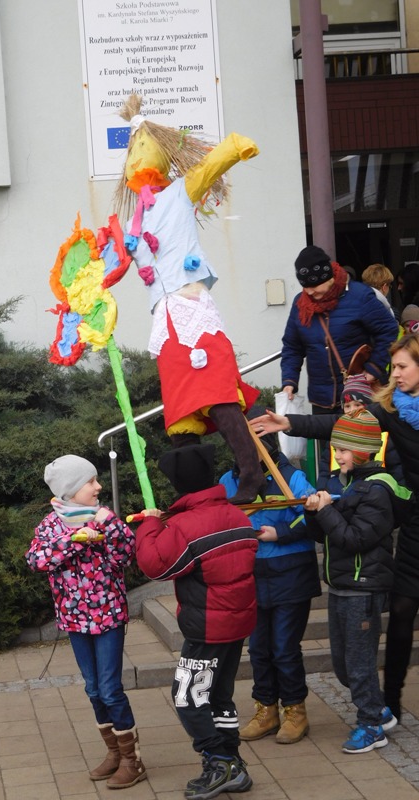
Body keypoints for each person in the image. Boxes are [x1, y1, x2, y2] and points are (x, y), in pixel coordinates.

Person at [251, 332, 419, 723]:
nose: (394, 374)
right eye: (393, 366)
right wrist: (288, 422)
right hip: (415, 522)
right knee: (402, 610)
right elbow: (341, 424)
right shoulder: (390, 406)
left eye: (402, 367)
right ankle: (389, 703)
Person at [113, 93, 265, 504]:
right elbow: (116, 261)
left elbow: (208, 167)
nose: (136, 161)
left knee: (217, 395)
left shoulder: (179, 192)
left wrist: (233, 147)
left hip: (193, 309)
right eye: (132, 154)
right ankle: (197, 493)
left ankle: (251, 474)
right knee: (180, 411)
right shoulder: (133, 221)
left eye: (142, 151)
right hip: (164, 321)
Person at [135, 443, 257, 799]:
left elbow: (155, 565)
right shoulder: (236, 514)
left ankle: (220, 763)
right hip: (237, 621)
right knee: (218, 695)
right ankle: (233, 763)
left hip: (207, 627)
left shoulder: (187, 525)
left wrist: (149, 524)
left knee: (188, 697)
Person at [25, 454, 147, 790]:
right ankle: (114, 753)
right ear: (70, 490)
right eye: (90, 482)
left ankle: (133, 760)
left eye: (96, 480)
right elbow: (36, 560)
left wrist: (108, 525)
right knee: (93, 689)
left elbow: (125, 555)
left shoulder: (103, 518)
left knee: (110, 689)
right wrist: (73, 540)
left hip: (108, 616)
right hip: (74, 620)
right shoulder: (51, 525)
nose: (98, 487)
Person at [303, 410, 411, 753]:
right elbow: (323, 536)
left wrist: (326, 512)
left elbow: (355, 539)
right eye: (336, 448)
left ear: (364, 451)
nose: (338, 455)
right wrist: (312, 513)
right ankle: (379, 710)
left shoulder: (378, 490)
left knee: (359, 664)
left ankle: (371, 726)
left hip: (363, 588)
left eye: (344, 450)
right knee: (343, 666)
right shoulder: (340, 483)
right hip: (339, 584)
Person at [219, 416, 320, 745]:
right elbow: (221, 520)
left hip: (291, 573)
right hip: (250, 575)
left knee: (284, 648)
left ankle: (295, 710)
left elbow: (313, 517)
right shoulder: (228, 481)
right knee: (259, 649)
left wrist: (280, 532)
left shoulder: (291, 477)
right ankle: (266, 710)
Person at [281, 245, 399, 413]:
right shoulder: (301, 304)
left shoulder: (360, 296)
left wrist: (374, 368)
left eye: (314, 285)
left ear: (328, 277)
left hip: (359, 395)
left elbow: (388, 330)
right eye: (305, 286)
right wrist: (289, 381)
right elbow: (292, 346)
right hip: (322, 400)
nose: (309, 292)